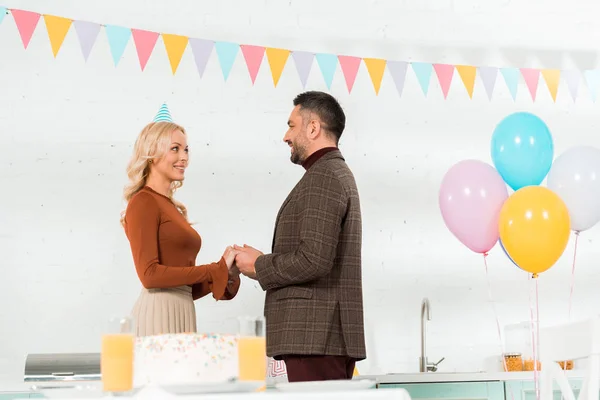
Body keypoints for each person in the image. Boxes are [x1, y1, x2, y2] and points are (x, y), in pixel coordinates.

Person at [234, 91, 366, 382]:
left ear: (314, 127)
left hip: (315, 339)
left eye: (292, 125)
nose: (286, 135)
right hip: (319, 339)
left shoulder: (325, 176)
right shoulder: (329, 172)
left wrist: (259, 265)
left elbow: (314, 260)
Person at [121, 103, 241, 337]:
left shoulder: (171, 208)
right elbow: (150, 276)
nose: (183, 157)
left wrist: (226, 272)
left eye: (186, 150)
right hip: (158, 313)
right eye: (175, 149)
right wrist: (213, 270)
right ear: (152, 153)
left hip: (182, 308)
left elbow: (185, 288)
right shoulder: (144, 202)